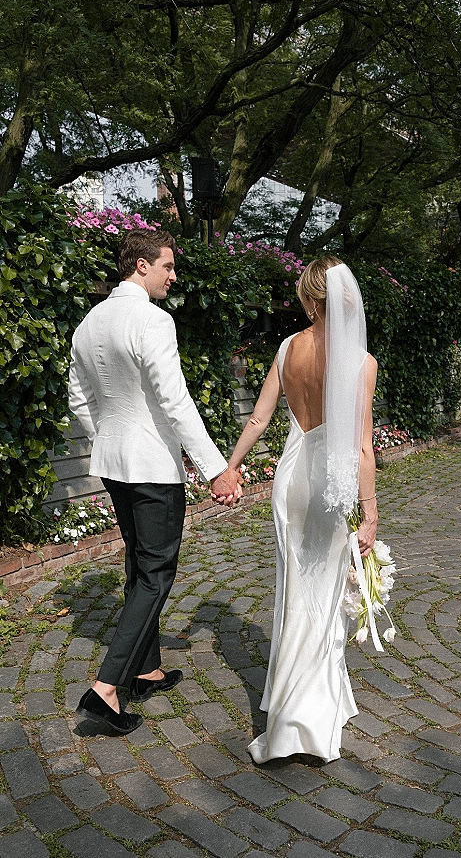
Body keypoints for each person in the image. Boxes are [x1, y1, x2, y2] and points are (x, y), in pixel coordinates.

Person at [68, 228, 241, 735]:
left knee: (137, 563)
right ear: (140, 265)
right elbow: (174, 400)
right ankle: (105, 691)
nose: (172, 275)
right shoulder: (153, 319)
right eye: (167, 266)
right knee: (156, 572)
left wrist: (109, 439)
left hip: (114, 462)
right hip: (150, 468)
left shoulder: (87, 323)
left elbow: (78, 400)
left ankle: (146, 669)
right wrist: (217, 469)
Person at [227, 255, 378, 763]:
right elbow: (361, 447)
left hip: (291, 480)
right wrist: (371, 513)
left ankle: (309, 699)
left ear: (310, 299)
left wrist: (229, 468)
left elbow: (259, 417)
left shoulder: (287, 347)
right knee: (323, 592)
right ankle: (302, 720)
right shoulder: (360, 361)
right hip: (330, 485)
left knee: (294, 589)